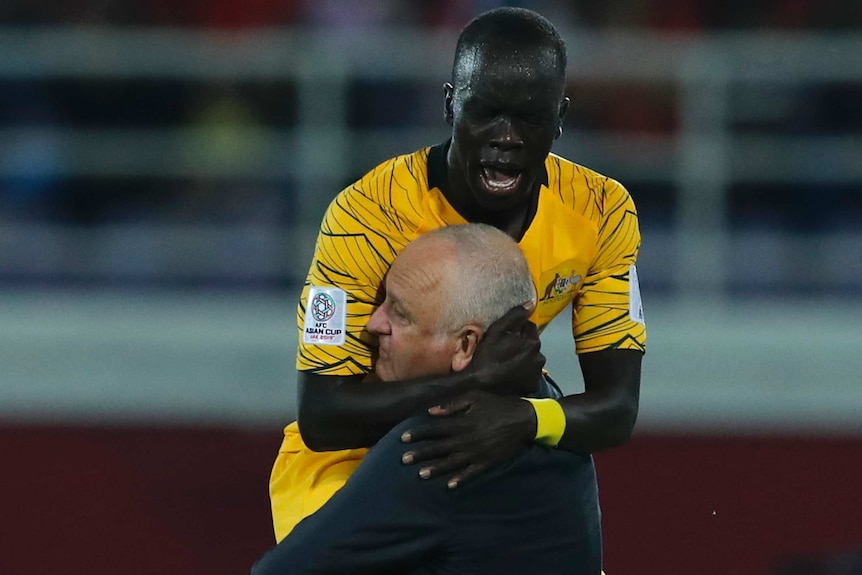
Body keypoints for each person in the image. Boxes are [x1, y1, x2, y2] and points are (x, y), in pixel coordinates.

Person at [270, 6, 646, 541]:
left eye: (529, 117)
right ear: (450, 104)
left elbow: (616, 407)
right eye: (486, 112)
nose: (506, 137)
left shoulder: (602, 212)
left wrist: (524, 419)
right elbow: (324, 415)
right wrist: (474, 381)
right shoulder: (366, 216)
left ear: (560, 117)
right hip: (349, 465)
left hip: (490, 444)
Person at [252, 223, 603, 575]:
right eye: (383, 301)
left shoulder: (436, 446)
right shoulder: (556, 414)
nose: (374, 324)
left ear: (466, 345)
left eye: (400, 313)